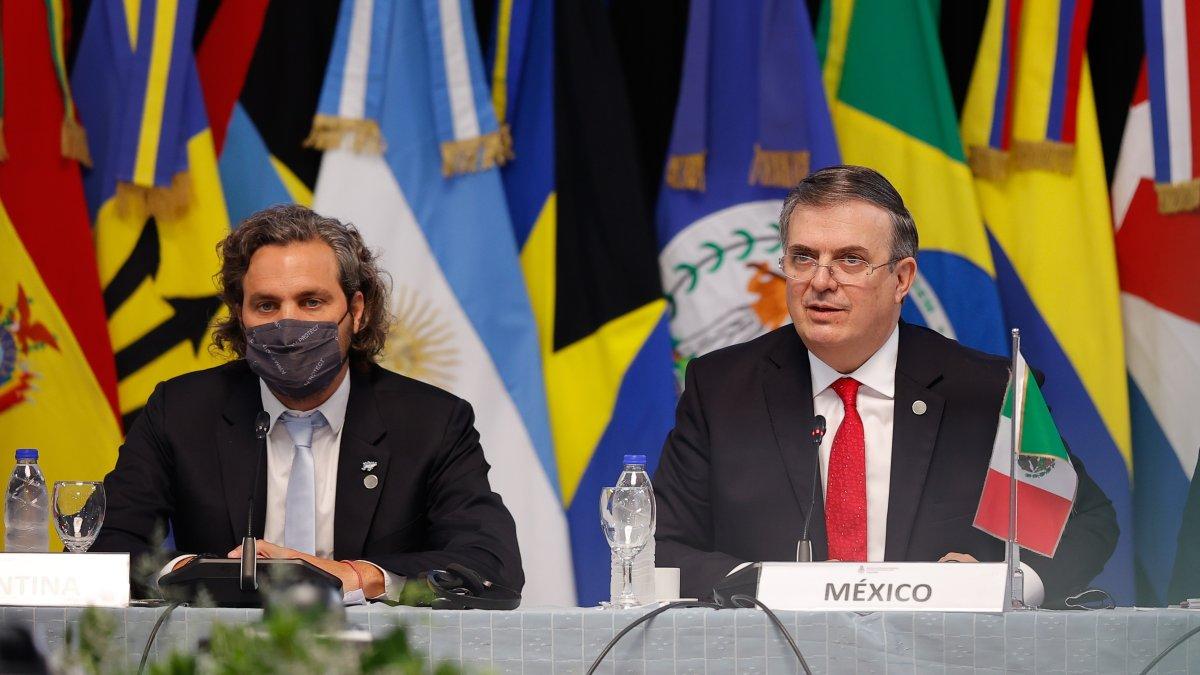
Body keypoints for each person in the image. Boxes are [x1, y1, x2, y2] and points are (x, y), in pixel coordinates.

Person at [653, 165, 1118, 606]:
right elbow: (663, 544)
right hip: (771, 647)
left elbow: (1086, 524)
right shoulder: (721, 389)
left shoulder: (988, 392)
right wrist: (767, 586)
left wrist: (1002, 585)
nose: (820, 281)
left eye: (850, 260)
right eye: (803, 258)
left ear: (901, 279)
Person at [91, 204, 523, 601]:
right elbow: (105, 545)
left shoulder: (432, 422)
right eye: (266, 305)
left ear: (356, 311)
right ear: (240, 314)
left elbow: (491, 565)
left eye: (311, 302)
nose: (287, 323)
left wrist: (353, 575)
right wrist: (197, 574)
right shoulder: (181, 410)